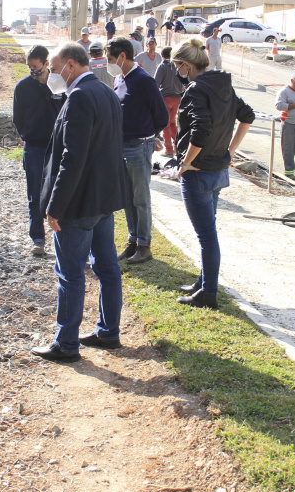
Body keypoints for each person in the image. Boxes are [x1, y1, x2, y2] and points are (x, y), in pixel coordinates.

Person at [31, 42, 128, 362]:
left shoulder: (80, 98)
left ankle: (66, 343)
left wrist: (55, 207)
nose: (54, 75)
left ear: (71, 65)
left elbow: (71, 159)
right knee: (107, 266)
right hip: (102, 199)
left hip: (80, 203)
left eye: (56, 69)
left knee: (70, 273)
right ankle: (108, 331)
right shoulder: (106, 92)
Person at [172, 38, 255, 308]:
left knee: (207, 236)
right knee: (208, 232)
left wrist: (185, 162)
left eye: (177, 66)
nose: (177, 71)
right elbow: (248, 115)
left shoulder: (196, 89)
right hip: (217, 170)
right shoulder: (222, 85)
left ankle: (208, 293)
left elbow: (200, 130)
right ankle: (204, 281)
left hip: (199, 173)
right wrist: (229, 151)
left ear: (185, 65)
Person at [107, 37, 170, 264]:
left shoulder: (144, 80)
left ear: (123, 56)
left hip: (139, 146)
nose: (108, 63)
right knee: (127, 198)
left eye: (111, 59)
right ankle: (133, 240)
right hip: (122, 146)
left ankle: (144, 245)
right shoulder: (118, 79)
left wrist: (148, 135)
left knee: (140, 198)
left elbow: (162, 116)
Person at [12, 45, 65, 255]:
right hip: (34, 148)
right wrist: (28, 136)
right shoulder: (23, 87)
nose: (33, 72)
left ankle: (61, 236)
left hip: (58, 148)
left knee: (59, 191)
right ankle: (38, 239)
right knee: (34, 194)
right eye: (30, 68)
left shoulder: (59, 85)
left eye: (36, 68)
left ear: (46, 64)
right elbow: (18, 118)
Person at [154, 46, 185, 157]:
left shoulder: (162, 67)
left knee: (165, 124)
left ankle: (168, 149)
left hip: (165, 98)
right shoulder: (178, 67)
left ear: (162, 55)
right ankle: (177, 146)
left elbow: (155, 83)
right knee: (172, 123)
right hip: (177, 98)